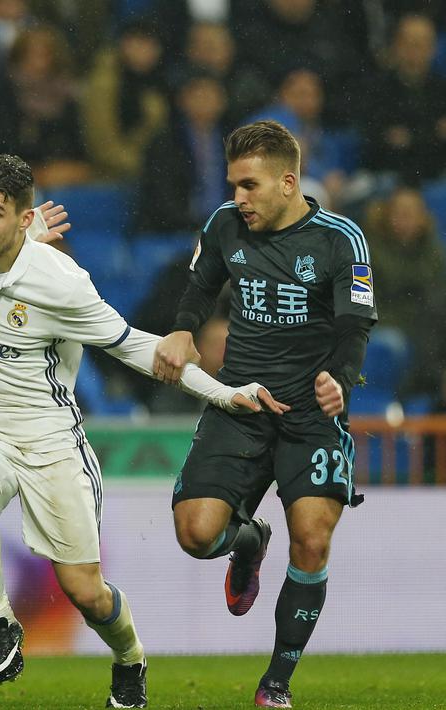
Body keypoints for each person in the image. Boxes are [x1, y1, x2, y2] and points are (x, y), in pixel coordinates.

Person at [0, 153, 284, 708]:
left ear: (24, 219)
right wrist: (13, 236)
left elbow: (135, 346)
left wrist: (222, 392)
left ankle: (130, 659)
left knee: (85, 592)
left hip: (47, 443)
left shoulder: (60, 284)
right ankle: (1, 622)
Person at [153, 120, 377, 708]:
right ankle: (249, 540)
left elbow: (355, 325)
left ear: (288, 182)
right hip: (241, 403)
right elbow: (200, 286)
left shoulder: (341, 239)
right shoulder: (225, 223)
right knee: (196, 535)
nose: (238, 197)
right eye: (233, 184)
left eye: (249, 185)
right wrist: (183, 329)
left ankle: (276, 682)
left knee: (312, 540)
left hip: (311, 413)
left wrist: (340, 379)